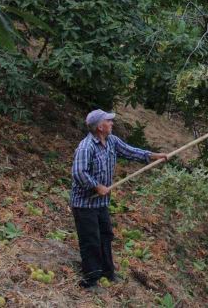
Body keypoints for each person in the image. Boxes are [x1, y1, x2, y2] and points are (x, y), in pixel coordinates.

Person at [70, 109, 168, 288]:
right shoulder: (86, 147)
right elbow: (79, 172)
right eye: (109, 121)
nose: (112, 123)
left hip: (100, 202)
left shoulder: (112, 142)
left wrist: (154, 156)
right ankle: (91, 280)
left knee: (106, 235)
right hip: (84, 204)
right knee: (90, 240)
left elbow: (131, 152)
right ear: (100, 127)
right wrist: (97, 186)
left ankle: (107, 272)